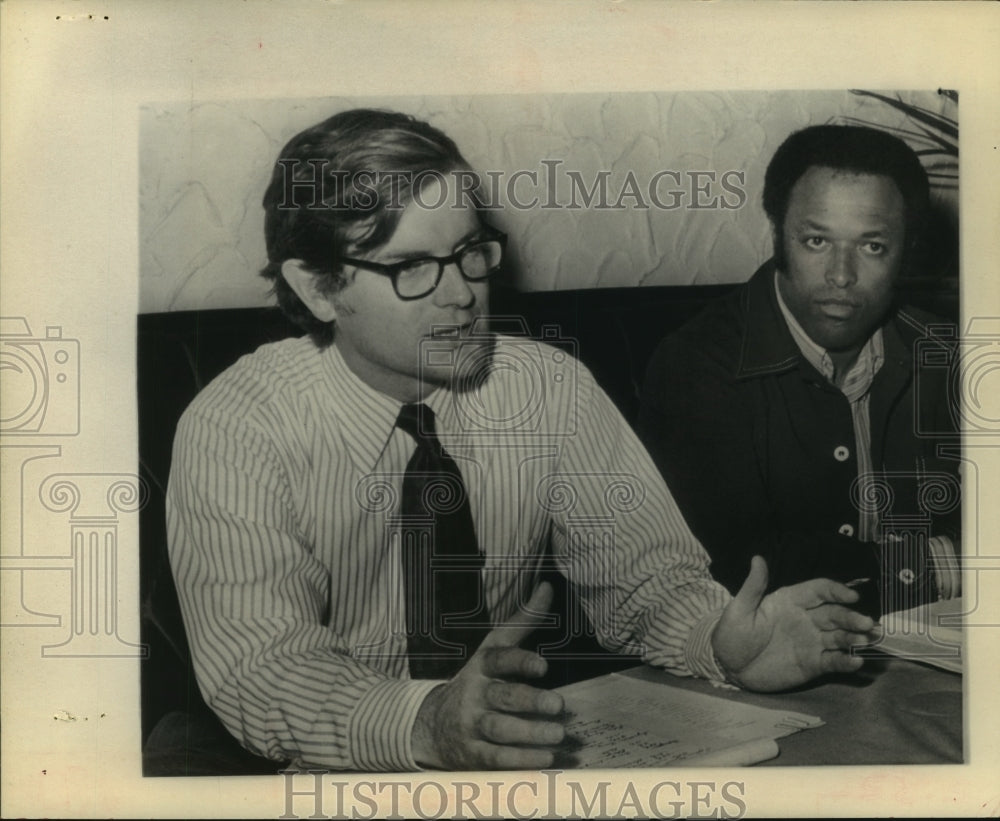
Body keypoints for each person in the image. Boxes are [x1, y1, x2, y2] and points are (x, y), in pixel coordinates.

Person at [167, 109, 876, 773]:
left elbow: (644, 580)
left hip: (510, 753)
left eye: (471, 252)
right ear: (318, 289)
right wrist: (424, 720)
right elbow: (263, 665)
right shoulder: (238, 424)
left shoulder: (548, 386)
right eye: (410, 267)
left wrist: (718, 641)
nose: (463, 294)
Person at [638, 124, 960, 619]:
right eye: (816, 241)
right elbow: (742, 573)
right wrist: (944, 563)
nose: (840, 275)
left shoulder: (950, 354)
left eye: (872, 246)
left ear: (908, 249)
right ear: (777, 235)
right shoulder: (696, 366)